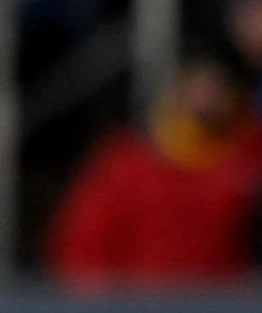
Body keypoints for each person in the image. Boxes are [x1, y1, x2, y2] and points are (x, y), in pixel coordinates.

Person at [43, 54, 262, 290]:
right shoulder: (126, 163)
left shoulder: (248, 155)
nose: (206, 98)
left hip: (223, 308)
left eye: (218, 87)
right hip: (140, 308)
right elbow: (81, 248)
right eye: (195, 86)